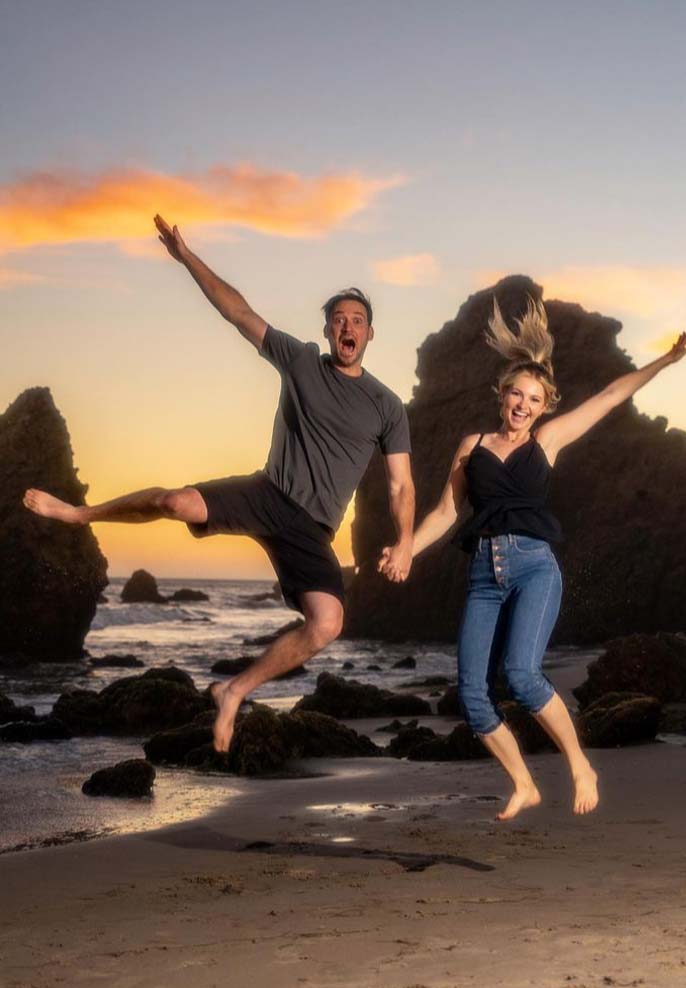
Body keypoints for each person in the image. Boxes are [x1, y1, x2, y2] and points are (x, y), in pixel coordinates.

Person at [24, 215, 415, 752]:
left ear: (370, 333)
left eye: (358, 320)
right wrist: (186, 257)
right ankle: (78, 514)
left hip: (312, 529)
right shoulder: (301, 360)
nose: (348, 327)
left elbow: (400, 486)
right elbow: (238, 312)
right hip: (265, 494)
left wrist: (406, 540)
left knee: (327, 624)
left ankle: (234, 690)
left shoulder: (387, 406)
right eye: (339, 319)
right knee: (174, 501)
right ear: (328, 330)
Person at [391, 296, 686, 820]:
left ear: (544, 406)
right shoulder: (472, 445)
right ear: (502, 393)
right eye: (516, 393)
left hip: (534, 567)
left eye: (534, 399)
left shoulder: (547, 441)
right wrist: (406, 550)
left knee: (522, 674)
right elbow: (445, 513)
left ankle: (579, 765)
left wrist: (664, 361)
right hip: (484, 574)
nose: (522, 405)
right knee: (472, 695)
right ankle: (524, 784)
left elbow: (611, 396)